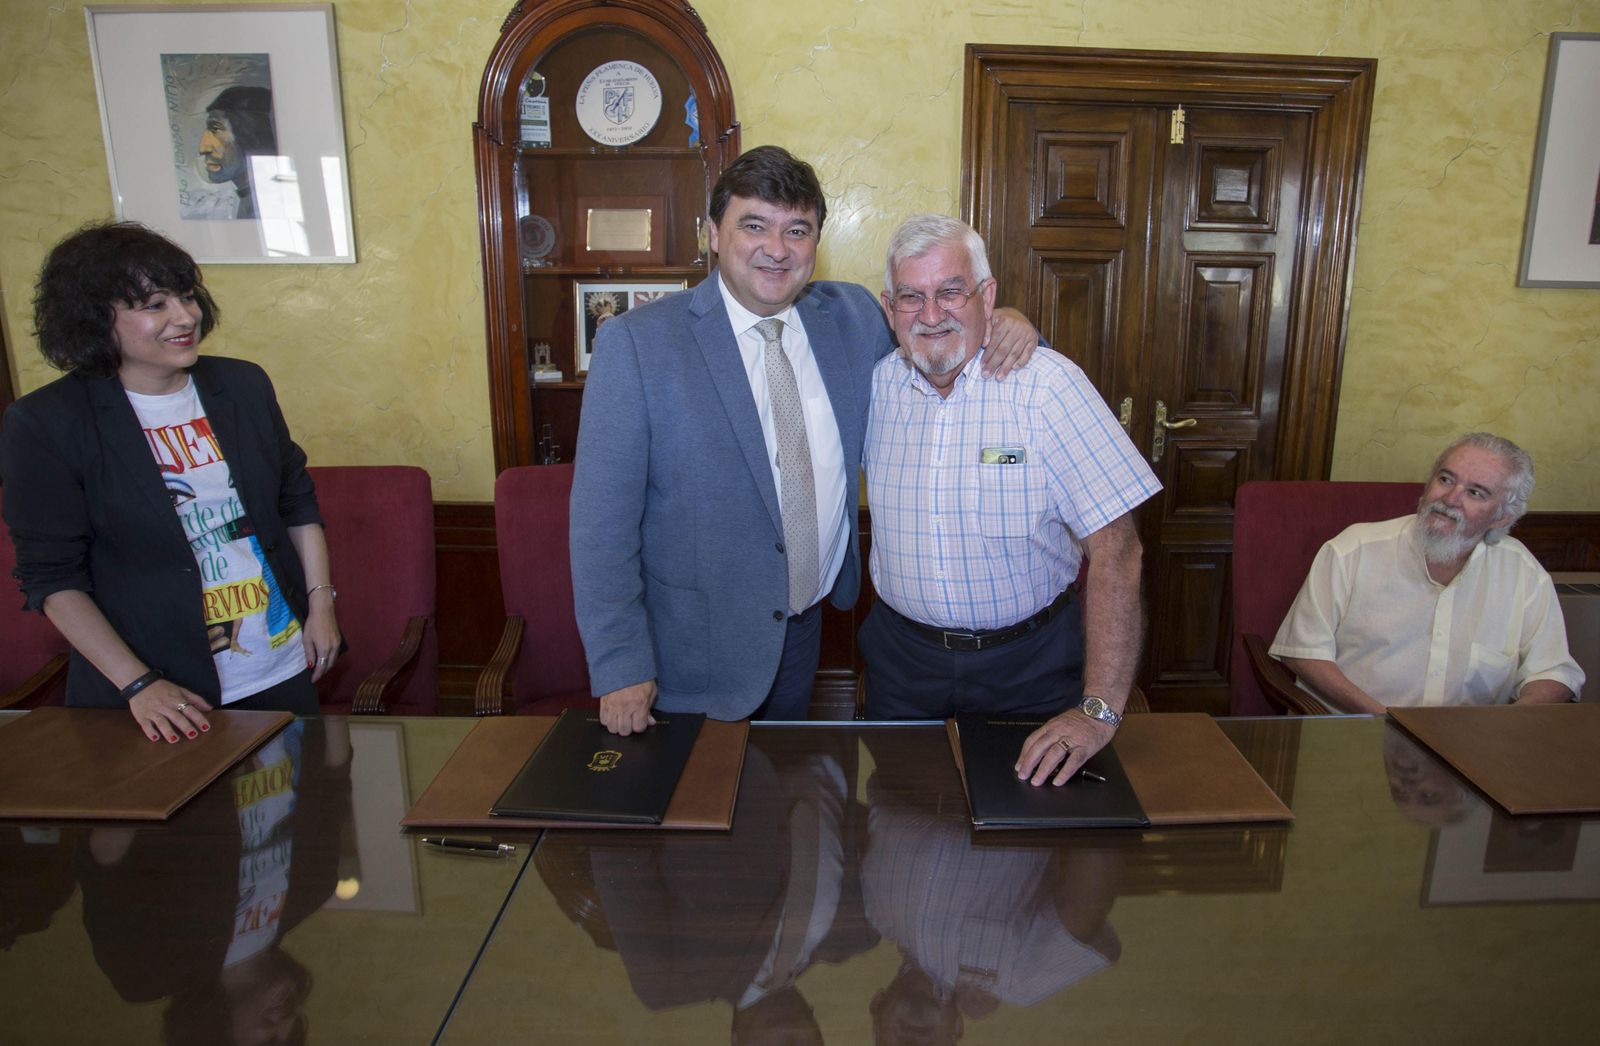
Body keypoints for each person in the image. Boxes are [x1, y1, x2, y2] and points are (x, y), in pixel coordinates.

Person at [570, 147, 1038, 735]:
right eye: (754, 225)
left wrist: (1008, 321)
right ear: (713, 233)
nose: (777, 248)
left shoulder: (853, 317)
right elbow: (601, 526)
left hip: (803, 630)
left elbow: (941, 334)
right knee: (693, 794)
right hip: (692, 652)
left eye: (797, 230)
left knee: (776, 785)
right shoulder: (639, 344)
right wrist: (621, 665)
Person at [0, 221, 341, 743]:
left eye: (186, 296)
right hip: (156, 691)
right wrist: (139, 684)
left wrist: (320, 605)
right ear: (93, 319)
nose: (185, 317)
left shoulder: (242, 384)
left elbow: (295, 501)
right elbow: (52, 577)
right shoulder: (47, 422)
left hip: (279, 662)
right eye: (154, 304)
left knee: (302, 796)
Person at [859, 214, 1159, 787]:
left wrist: (1098, 710)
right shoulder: (874, 390)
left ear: (988, 296)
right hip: (902, 669)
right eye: (911, 297)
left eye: (951, 291)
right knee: (898, 817)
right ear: (888, 308)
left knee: (1030, 829)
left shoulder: (1049, 387)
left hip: (1031, 671)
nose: (931, 314)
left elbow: (1119, 551)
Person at [1270, 432, 1584, 712]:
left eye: (1475, 493)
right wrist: (1386, 720)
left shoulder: (1522, 571)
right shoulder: (1353, 549)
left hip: (1470, 746)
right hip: (1355, 732)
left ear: (1502, 517)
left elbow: (1553, 671)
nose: (1450, 499)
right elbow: (1303, 652)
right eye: (1446, 479)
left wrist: (1511, 724)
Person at [199, 85, 278, 220]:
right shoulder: (252, 202)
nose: (203, 148)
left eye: (216, 129)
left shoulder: (271, 207)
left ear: (249, 136)